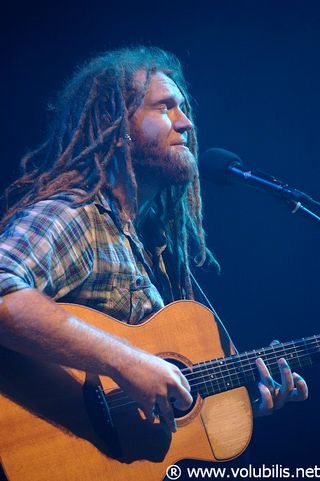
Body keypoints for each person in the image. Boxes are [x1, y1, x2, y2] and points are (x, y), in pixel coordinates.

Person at [0, 46, 308, 438]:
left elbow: (168, 401)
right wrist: (126, 362)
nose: (187, 124)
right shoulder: (75, 216)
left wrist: (243, 398)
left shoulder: (158, 250)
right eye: (165, 109)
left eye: (185, 109)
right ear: (115, 124)